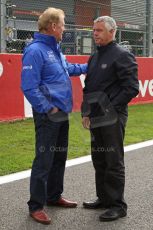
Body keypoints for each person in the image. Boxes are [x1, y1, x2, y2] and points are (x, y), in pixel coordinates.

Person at [21, 7, 87, 225]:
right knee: (44, 160)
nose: (65, 28)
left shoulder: (56, 50)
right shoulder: (35, 50)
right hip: (48, 115)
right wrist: (48, 109)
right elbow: (29, 87)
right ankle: (36, 206)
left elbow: (68, 68)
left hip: (62, 114)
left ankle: (53, 196)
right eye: (63, 24)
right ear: (53, 26)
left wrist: (90, 66)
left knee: (59, 158)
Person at [81, 16, 139, 222]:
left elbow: (131, 88)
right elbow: (89, 87)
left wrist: (109, 108)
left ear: (112, 32)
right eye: (94, 30)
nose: (95, 33)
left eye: (99, 30)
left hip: (113, 117)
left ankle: (117, 205)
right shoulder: (94, 56)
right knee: (99, 159)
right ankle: (104, 198)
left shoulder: (122, 55)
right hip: (95, 117)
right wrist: (85, 112)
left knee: (113, 161)